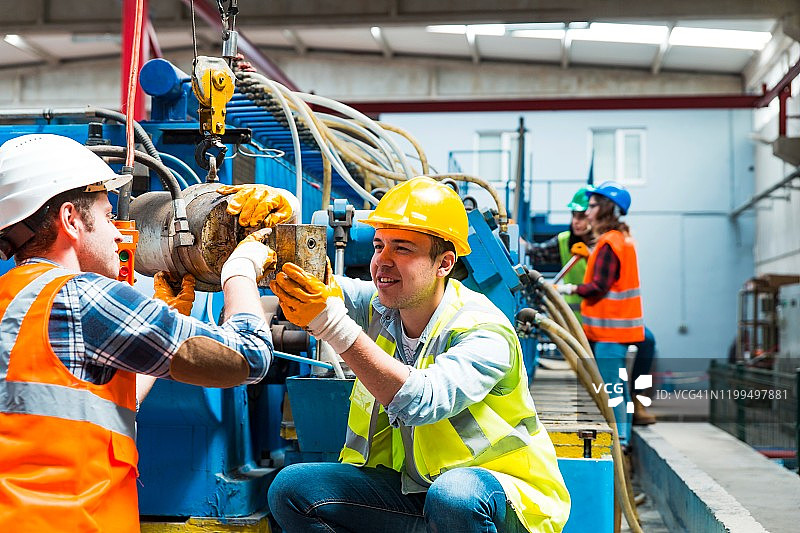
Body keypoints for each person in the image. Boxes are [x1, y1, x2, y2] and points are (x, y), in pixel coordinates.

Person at [0, 134, 284, 532]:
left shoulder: (14, 300)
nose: (119, 234)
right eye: (107, 217)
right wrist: (239, 271)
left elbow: (92, 404)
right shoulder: (84, 296)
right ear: (70, 220)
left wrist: (168, 319)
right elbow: (249, 357)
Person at [267, 176, 570, 533]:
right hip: (419, 492)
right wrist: (271, 233)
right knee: (293, 489)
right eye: (379, 246)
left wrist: (331, 324)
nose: (382, 261)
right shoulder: (382, 308)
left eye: (403, 249)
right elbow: (315, 285)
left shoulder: (483, 330)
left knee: (454, 498)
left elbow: (421, 401)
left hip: (500, 501)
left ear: (444, 263)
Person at [555, 181, 644, 447]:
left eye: (593, 206)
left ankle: (620, 440)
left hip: (610, 332)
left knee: (612, 389)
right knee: (618, 387)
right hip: (616, 331)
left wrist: (566, 288)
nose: (588, 211)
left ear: (606, 209)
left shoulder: (609, 243)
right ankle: (623, 436)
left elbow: (599, 287)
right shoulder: (620, 240)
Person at [527, 186, 594, 320]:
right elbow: (535, 252)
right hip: (574, 323)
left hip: (601, 322)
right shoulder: (565, 241)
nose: (575, 221)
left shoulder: (605, 244)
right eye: (574, 215)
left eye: (581, 216)